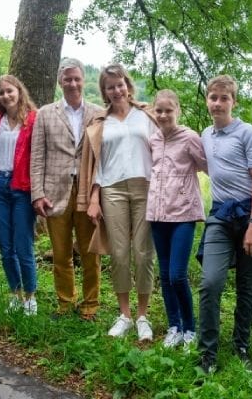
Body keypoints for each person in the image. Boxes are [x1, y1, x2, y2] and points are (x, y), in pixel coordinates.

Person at [78, 64, 158, 341]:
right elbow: (96, 164)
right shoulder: (99, 123)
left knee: (143, 253)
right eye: (110, 87)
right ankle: (124, 314)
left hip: (145, 187)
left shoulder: (147, 115)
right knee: (120, 253)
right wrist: (93, 198)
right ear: (104, 91)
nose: (116, 90)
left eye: (119, 84)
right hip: (111, 190)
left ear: (127, 84)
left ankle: (143, 316)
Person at [197, 75, 252, 374]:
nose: (217, 103)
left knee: (247, 288)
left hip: (248, 217)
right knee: (210, 282)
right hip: (220, 217)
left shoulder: (247, 132)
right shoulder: (205, 135)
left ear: (233, 102)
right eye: (213, 97)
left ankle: (241, 346)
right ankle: (207, 355)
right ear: (207, 101)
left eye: (224, 98)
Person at [30, 58, 103, 320]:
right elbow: (37, 156)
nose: (72, 83)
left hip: (86, 192)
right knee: (61, 253)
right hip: (54, 193)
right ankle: (65, 302)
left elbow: (103, 156)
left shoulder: (97, 113)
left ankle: (91, 304)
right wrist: (37, 193)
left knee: (89, 251)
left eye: (77, 78)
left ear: (84, 80)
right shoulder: (45, 113)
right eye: (67, 78)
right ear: (60, 81)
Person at [146, 90, 207, 348]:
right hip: (158, 215)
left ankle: (190, 329)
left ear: (177, 111)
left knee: (177, 275)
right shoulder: (153, 139)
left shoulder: (190, 138)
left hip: (183, 213)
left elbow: (208, 166)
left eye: (168, 110)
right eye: (158, 110)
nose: (163, 115)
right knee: (164, 273)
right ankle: (175, 326)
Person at [0, 75, 39, 315]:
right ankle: (15, 294)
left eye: (10, 91)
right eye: (1, 93)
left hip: (22, 189)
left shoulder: (34, 120)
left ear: (19, 90)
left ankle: (30, 297)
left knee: (23, 246)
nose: (6, 96)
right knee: (6, 248)